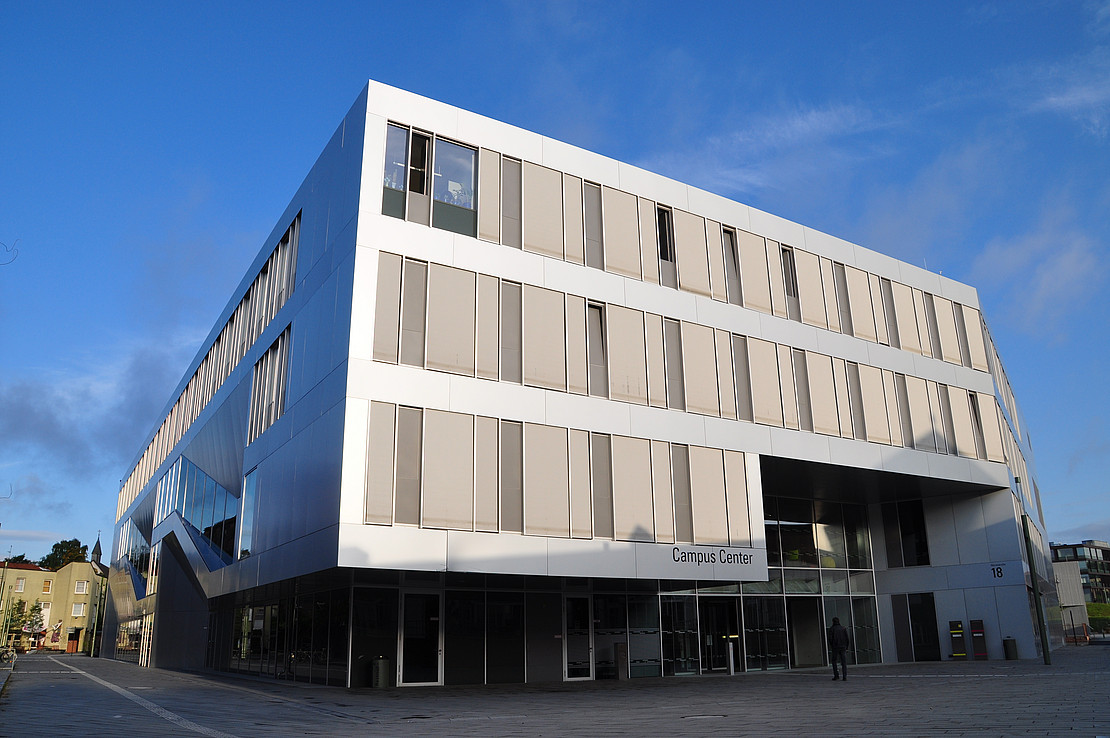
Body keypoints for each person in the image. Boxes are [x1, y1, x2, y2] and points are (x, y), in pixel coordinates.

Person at [828, 617, 850, 681]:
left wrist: (832, 645)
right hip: (843, 646)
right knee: (843, 662)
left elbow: (830, 639)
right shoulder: (843, 628)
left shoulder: (832, 629)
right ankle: (844, 676)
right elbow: (847, 638)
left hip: (835, 647)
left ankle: (836, 675)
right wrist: (846, 647)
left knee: (834, 661)